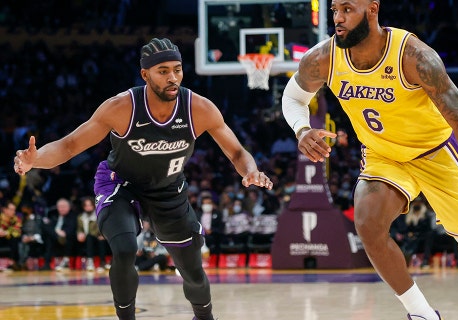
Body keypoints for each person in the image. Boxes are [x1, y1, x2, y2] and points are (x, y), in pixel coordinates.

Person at [280, 1, 458, 319]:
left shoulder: (415, 57)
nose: (338, 18)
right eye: (334, 10)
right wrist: (302, 129)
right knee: (368, 223)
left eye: (347, 9)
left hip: (436, 152)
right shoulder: (324, 58)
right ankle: (422, 314)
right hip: (383, 155)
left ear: (372, 9)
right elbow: (293, 96)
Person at [13, 38, 273, 320]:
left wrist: (250, 171)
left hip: (168, 190)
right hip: (121, 185)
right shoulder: (121, 107)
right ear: (145, 74)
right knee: (125, 249)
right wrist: (34, 160)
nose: (172, 77)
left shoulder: (199, 108)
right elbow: (68, 146)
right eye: (163, 71)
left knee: (193, 270)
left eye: (177, 69)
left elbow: (236, 151)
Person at [76, 196, 109, 271]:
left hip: (98, 237)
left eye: (90, 205)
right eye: (86, 205)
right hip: (85, 239)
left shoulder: (99, 215)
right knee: (88, 238)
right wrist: (79, 234)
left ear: (93, 206)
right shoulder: (80, 217)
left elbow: (100, 229)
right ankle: (90, 262)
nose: (88, 207)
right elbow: (79, 229)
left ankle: (102, 262)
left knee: (95, 238)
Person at [0, 201, 22, 271]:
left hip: (9, 241)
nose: (14, 212)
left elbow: (18, 230)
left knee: (15, 238)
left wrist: (6, 232)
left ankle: (11, 262)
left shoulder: (16, 219)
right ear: (4, 209)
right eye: (11, 210)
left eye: (14, 210)